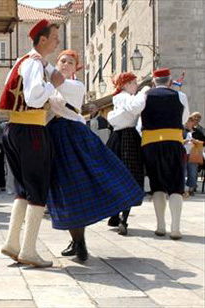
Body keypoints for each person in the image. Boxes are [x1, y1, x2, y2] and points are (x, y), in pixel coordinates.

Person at [45, 50, 144, 262]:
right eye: (62, 61)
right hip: (54, 137)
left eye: (70, 62)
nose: (65, 64)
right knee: (67, 190)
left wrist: (40, 61)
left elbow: (56, 82)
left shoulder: (75, 85)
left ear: (75, 68)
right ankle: (78, 242)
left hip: (73, 136)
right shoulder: (50, 85)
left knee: (80, 185)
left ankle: (79, 242)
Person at [0, 20, 68, 268]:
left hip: (14, 129)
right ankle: (28, 249)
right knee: (38, 189)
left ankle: (12, 243)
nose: (58, 42)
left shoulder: (24, 61)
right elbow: (34, 97)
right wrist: (54, 84)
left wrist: (50, 73)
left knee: (22, 189)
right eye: (55, 37)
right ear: (42, 40)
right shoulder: (34, 64)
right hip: (31, 131)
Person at [141, 68, 190, 240]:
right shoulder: (180, 96)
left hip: (150, 143)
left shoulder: (145, 96)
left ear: (153, 82)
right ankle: (175, 228)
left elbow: (141, 121)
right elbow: (184, 119)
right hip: (173, 141)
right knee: (176, 185)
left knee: (157, 184)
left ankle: (160, 225)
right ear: (170, 81)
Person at [106, 72, 150, 235]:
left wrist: (114, 116)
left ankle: (115, 214)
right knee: (129, 176)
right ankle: (122, 217)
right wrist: (144, 90)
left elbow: (117, 116)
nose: (136, 85)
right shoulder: (125, 97)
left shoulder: (120, 98)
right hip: (127, 138)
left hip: (118, 137)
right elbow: (136, 107)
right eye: (133, 82)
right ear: (125, 85)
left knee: (116, 176)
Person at [183, 117, 202, 197]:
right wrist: (185, 141)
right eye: (189, 121)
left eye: (192, 122)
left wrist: (196, 141)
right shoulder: (182, 131)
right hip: (183, 153)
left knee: (193, 172)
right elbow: (177, 140)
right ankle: (182, 188)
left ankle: (191, 189)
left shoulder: (198, 132)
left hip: (194, 154)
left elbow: (203, 142)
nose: (190, 123)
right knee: (182, 171)